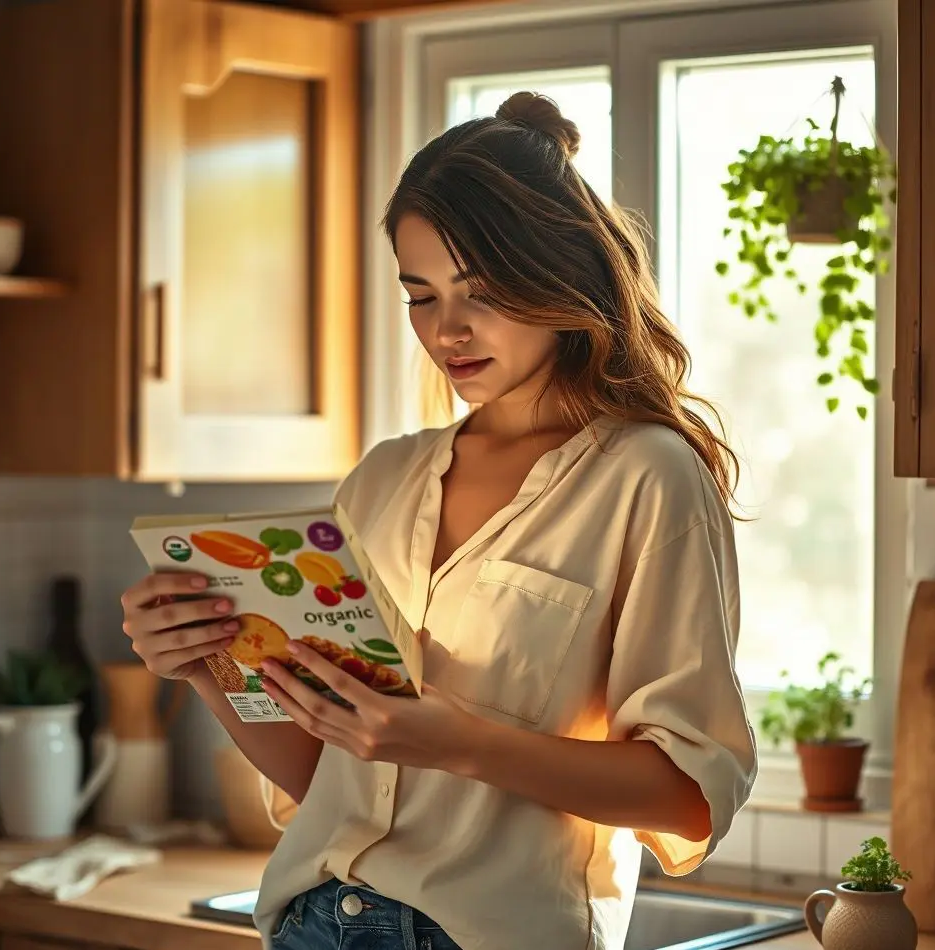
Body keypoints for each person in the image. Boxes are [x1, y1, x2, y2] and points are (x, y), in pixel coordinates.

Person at [120, 91, 757, 950]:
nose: (446, 330)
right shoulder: (381, 480)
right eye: (420, 296)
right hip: (308, 924)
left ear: (558, 273)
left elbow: (685, 794)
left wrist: (464, 744)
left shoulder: (648, 476)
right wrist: (204, 667)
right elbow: (326, 776)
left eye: (480, 292)